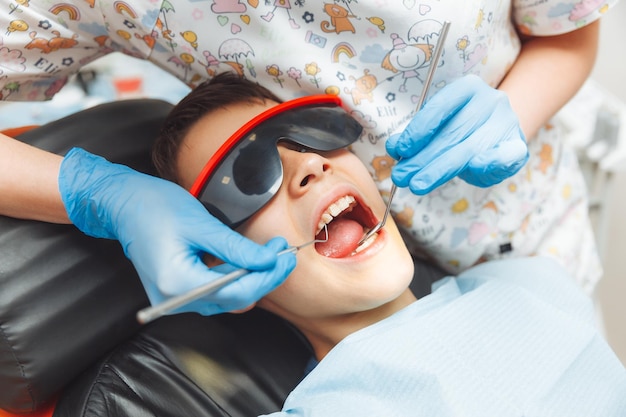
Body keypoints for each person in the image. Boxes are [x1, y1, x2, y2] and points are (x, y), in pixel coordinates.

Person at [0, 1, 616, 313]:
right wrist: (100, 193)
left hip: (532, 236)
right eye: (251, 170)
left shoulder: (548, 304)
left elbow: (566, 30)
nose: (313, 163)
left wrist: (519, 107)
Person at [150, 72, 626, 416]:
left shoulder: (530, 280)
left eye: (310, 134)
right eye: (248, 176)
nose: (311, 166)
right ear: (220, 268)